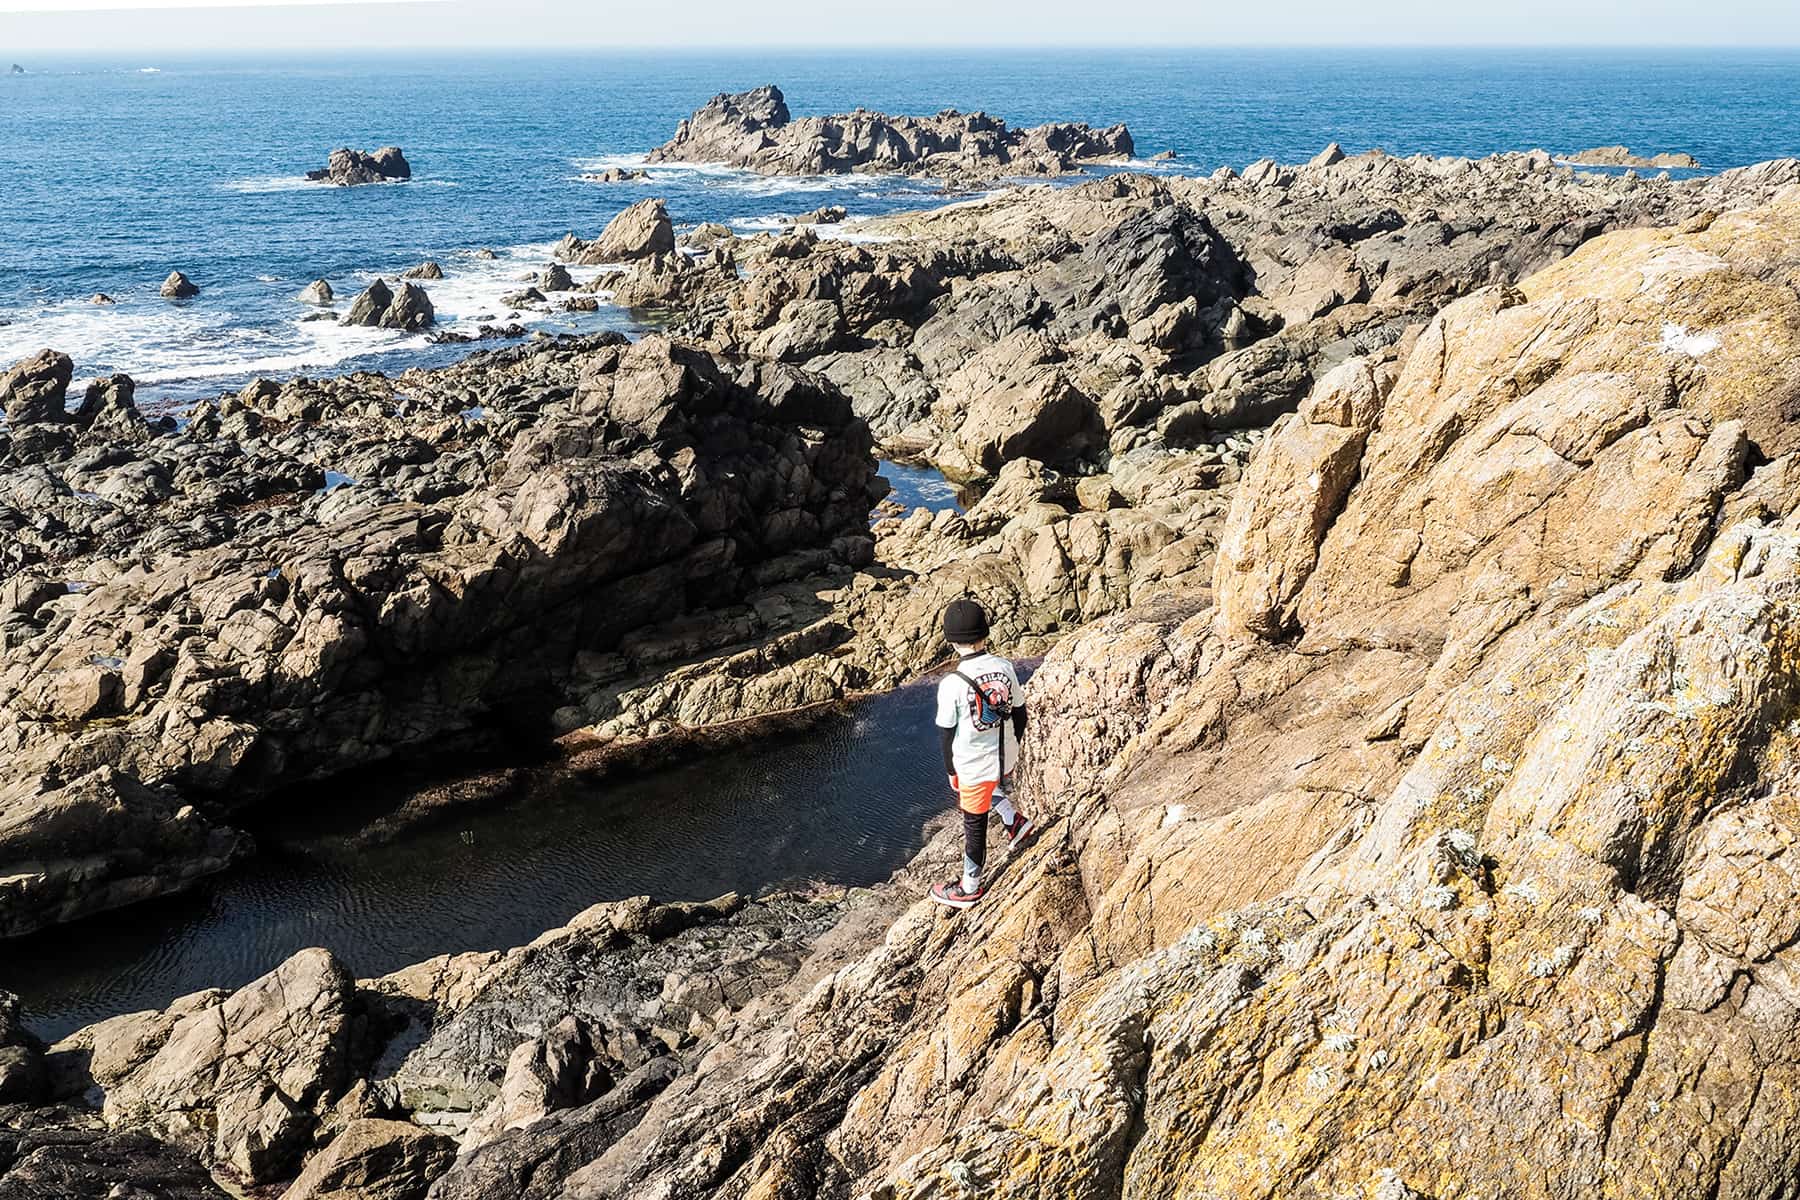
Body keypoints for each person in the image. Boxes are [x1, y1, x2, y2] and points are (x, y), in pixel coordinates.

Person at [930, 598, 1034, 909]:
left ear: (951, 641)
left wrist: (952, 771)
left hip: (974, 765)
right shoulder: (1004, 667)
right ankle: (1015, 822)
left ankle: (970, 886)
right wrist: (1012, 745)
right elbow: (1020, 713)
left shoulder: (951, 684)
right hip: (1005, 756)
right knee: (989, 785)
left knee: (973, 822)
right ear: (985, 633)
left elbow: (946, 733)